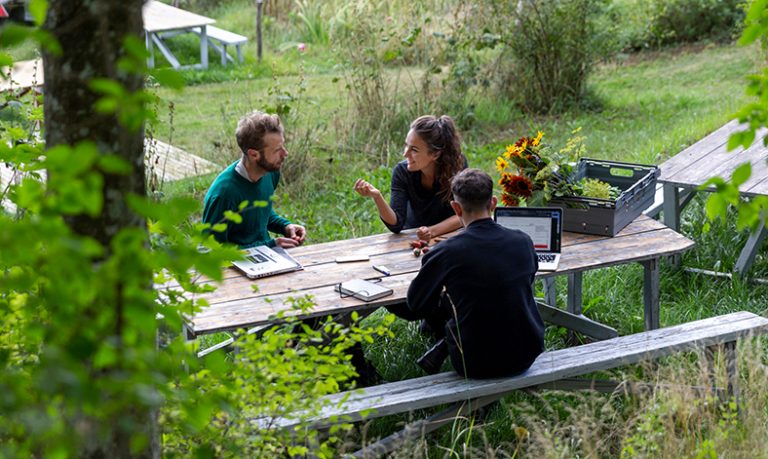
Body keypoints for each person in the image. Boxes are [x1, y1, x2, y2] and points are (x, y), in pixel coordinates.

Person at [393, 168, 545, 378]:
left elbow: (416, 304)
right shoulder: (524, 241)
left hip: (474, 362)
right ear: (493, 203)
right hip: (526, 353)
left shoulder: (446, 252)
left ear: (455, 208)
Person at [202, 110, 306, 249]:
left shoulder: (270, 173)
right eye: (277, 150)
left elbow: (260, 213)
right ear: (254, 154)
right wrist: (270, 245)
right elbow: (211, 249)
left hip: (266, 260)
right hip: (233, 268)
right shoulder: (224, 194)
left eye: (283, 146)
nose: (285, 154)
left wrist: (285, 226)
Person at [353, 115, 466, 241]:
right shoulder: (402, 172)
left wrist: (432, 231)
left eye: (414, 150)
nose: (405, 153)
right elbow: (396, 225)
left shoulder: (457, 166)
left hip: (452, 236)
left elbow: (466, 212)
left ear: (435, 154)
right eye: (406, 145)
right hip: (415, 238)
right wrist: (377, 196)